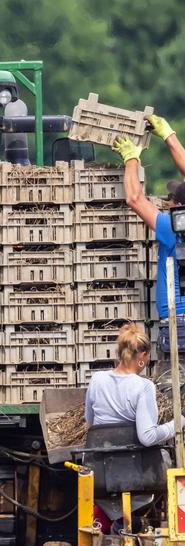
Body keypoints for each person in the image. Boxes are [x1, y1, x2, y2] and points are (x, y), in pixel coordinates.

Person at [112, 115, 185, 376]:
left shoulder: (170, 228)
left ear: (177, 207)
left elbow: (134, 198)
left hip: (179, 323)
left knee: (177, 391)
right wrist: (169, 135)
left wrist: (131, 159)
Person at [85, 323, 184, 447]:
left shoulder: (96, 379)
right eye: (148, 356)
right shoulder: (144, 386)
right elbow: (148, 437)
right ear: (142, 356)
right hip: (132, 461)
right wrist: (178, 422)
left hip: (99, 458)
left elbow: (90, 424)